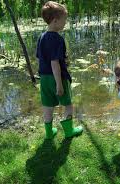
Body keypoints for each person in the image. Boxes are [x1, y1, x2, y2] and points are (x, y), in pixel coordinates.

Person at [36, 1, 83, 140]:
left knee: (47, 105)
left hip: (44, 78)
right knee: (67, 104)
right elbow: (54, 62)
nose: (65, 23)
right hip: (58, 77)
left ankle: (49, 133)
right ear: (55, 21)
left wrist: (44, 76)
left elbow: (40, 58)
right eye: (64, 20)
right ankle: (69, 131)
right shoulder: (58, 39)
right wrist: (59, 84)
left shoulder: (42, 37)